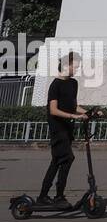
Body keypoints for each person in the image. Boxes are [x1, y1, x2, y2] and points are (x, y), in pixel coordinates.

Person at [38, 51, 89, 207]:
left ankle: (43, 196)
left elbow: (73, 105)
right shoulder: (55, 85)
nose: (77, 69)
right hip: (58, 128)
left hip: (67, 129)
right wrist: (73, 116)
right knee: (67, 158)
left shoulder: (73, 83)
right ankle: (58, 196)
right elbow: (53, 110)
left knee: (57, 162)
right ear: (67, 65)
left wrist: (89, 112)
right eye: (76, 66)